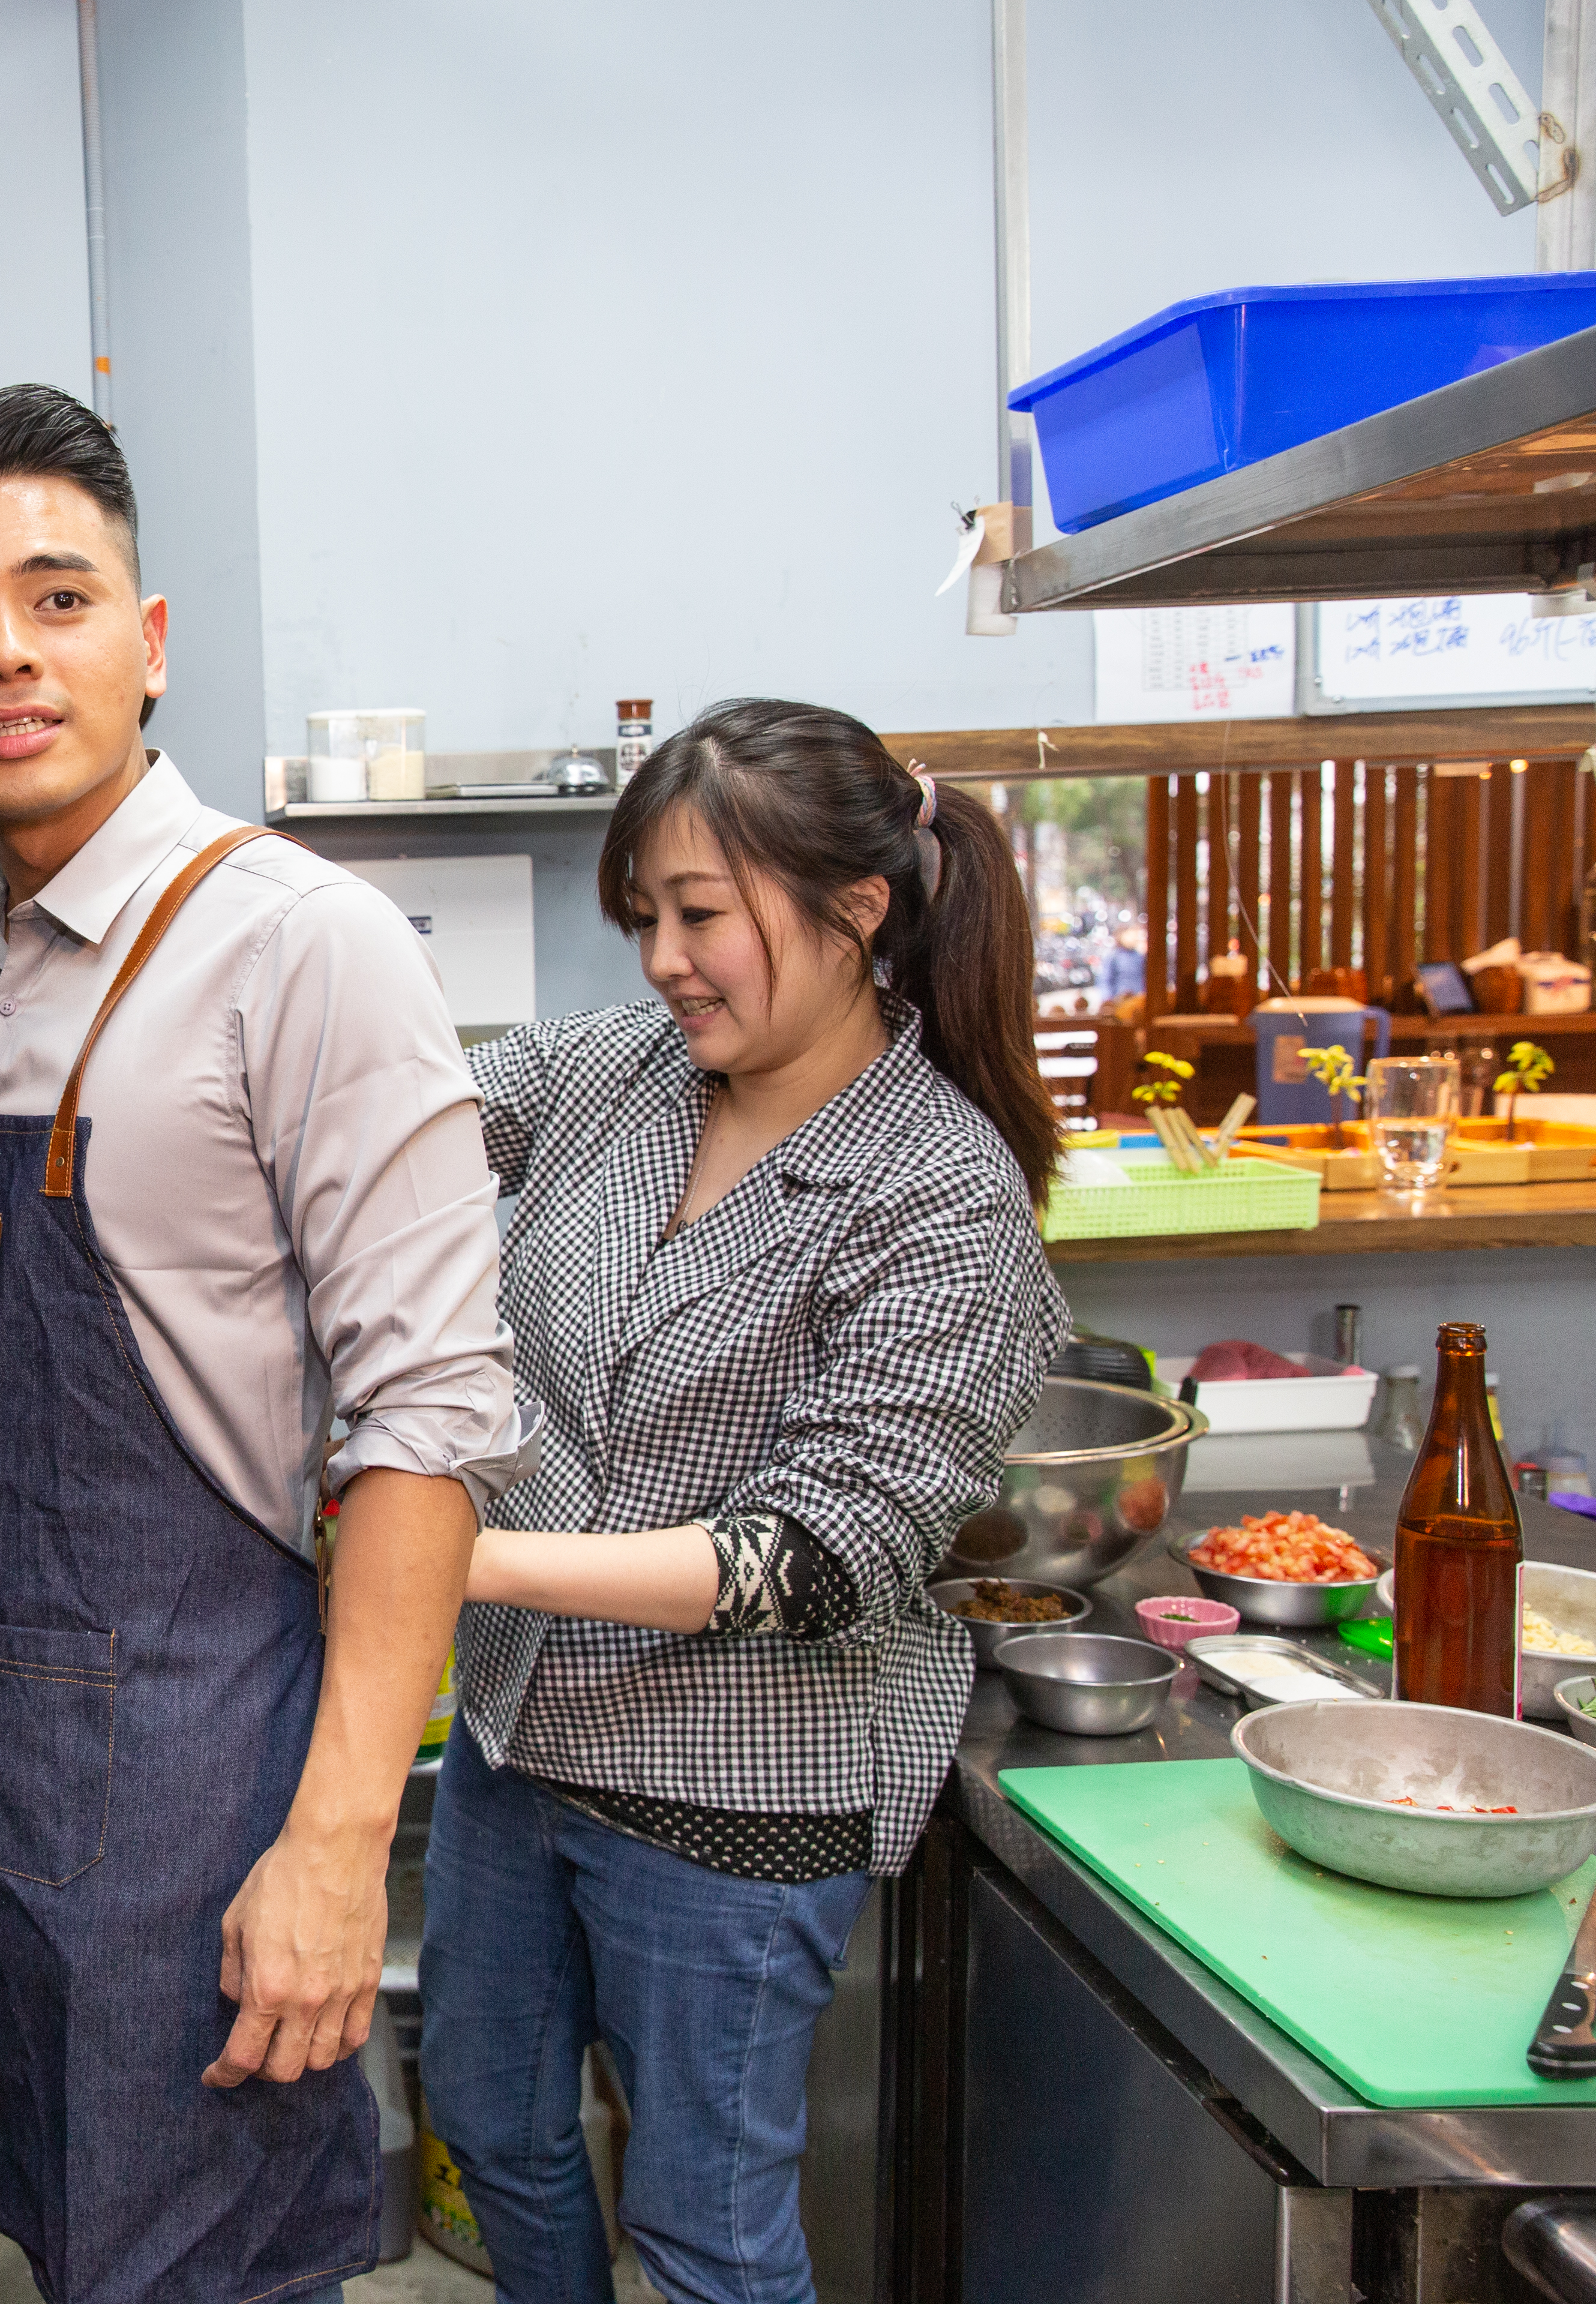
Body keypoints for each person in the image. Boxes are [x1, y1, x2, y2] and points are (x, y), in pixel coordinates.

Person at [0, 384, 527, 2304]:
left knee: (200, 2261)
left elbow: (429, 1425)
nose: (8, 652)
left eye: (57, 597)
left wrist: (336, 1850)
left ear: (147, 642)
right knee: (62, 2228)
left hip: (194, 1786)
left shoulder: (303, 947)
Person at [413, 700, 1069, 2304]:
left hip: (734, 1791)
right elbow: (408, 1132)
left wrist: (442, 1558)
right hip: (522, 1737)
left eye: (699, 915)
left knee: (705, 2225)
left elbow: (814, 1560)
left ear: (857, 912)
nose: (661, 959)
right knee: (491, 2120)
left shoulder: (945, 1200)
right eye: (645, 917)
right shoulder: (617, 1076)